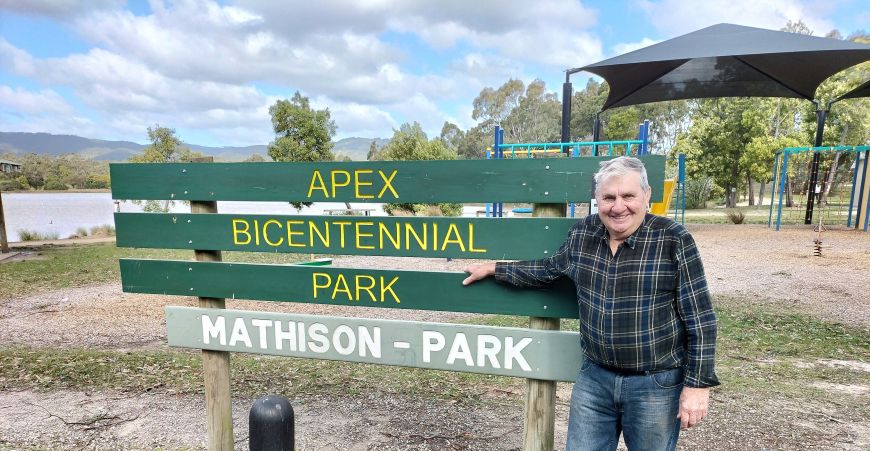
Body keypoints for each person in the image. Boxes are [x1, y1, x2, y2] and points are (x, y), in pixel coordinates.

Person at [462, 156, 718, 451]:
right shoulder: (583, 234)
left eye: (628, 196)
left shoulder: (673, 239)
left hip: (655, 385)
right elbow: (548, 270)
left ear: (646, 196)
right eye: (608, 197)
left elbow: (701, 319)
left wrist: (697, 385)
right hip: (595, 380)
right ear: (597, 200)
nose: (618, 207)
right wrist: (495, 269)